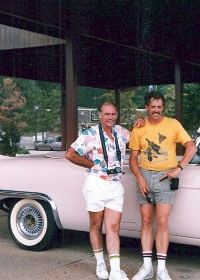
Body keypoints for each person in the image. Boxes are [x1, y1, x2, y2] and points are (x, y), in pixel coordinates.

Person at [129, 92, 197, 280]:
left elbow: (191, 146)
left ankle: (161, 270)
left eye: (159, 106)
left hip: (165, 178)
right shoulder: (139, 127)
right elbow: (133, 158)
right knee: (145, 222)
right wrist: (139, 178)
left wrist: (179, 168)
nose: (156, 110)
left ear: (163, 108)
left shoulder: (173, 124)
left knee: (162, 223)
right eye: (153, 106)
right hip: (145, 177)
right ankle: (147, 267)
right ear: (147, 107)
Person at [66, 101, 137, 280]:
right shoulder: (89, 134)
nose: (110, 117)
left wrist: (140, 122)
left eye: (113, 114)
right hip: (96, 183)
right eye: (107, 114)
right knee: (96, 225)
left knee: (113, 227)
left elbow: (138, 136)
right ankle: (100, 263)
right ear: (100, 115)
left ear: (117, 114)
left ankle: (115, 271)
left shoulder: (121, 132)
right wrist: (91, 164)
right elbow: (70, 154)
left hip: (115, 185)